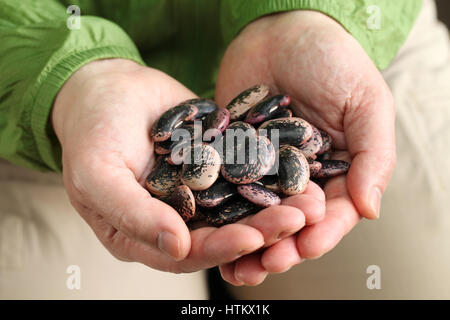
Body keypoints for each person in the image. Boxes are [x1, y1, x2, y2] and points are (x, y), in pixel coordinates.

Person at [1, 0, 447, 299]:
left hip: (355, 28)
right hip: (37, 86)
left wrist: (314, 13)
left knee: (423, 283)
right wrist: (68, 80)